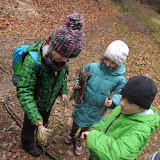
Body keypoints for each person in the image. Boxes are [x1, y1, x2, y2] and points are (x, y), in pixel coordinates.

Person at [16, 13, 84, 157]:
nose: (65, 60)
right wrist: (34, 116)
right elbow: (24, 90)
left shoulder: (63, 61)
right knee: (30, 126)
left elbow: (62, 77)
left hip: (48, 101)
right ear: (54, 47)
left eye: (69, 57)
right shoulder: (33, 61)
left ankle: (40, 137)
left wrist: (63, 91)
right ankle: (28, 144)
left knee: (44, 120)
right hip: (33, 104)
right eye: (63, 55)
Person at [65, 40, 129, 155]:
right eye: (106, 59)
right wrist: (77, 85)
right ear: (103, 56)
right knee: (76, 121)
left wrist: (113, 101)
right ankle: (71, 133)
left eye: (112, 62)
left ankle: (79, 140)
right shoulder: (92, 67)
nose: (108, 64)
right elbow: (81, 77)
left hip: (96, 110)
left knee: (86, 127)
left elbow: (120, 95)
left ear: (118, 63)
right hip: (82, 103)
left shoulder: (120, 79)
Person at [81, 76, 159, 160]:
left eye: (129, 102)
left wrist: (94, 136)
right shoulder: (124, 109)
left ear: (143, 107)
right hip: (98, 151)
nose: (122, 103)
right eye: (123, 97)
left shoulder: (141, 130)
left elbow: (119, 154)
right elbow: (107, 121)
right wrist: (95, 130)